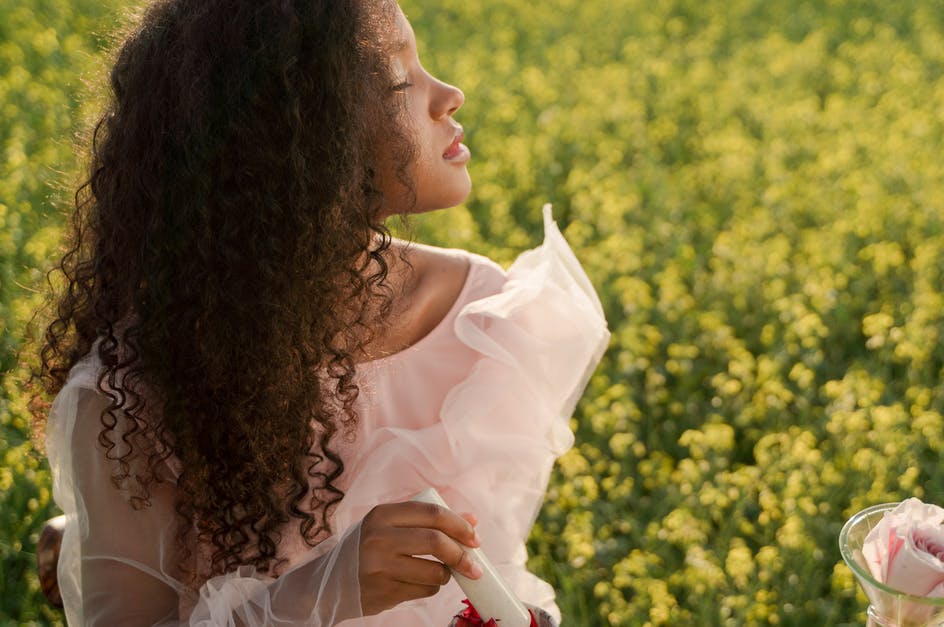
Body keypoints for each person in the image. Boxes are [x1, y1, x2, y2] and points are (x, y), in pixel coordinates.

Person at [32, 0, 609, 624]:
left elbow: (492, 565)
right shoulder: (133, 395)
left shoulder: (485, 317)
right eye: (399, 80)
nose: (450, 94)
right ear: (288, 134)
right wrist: (321, 592)